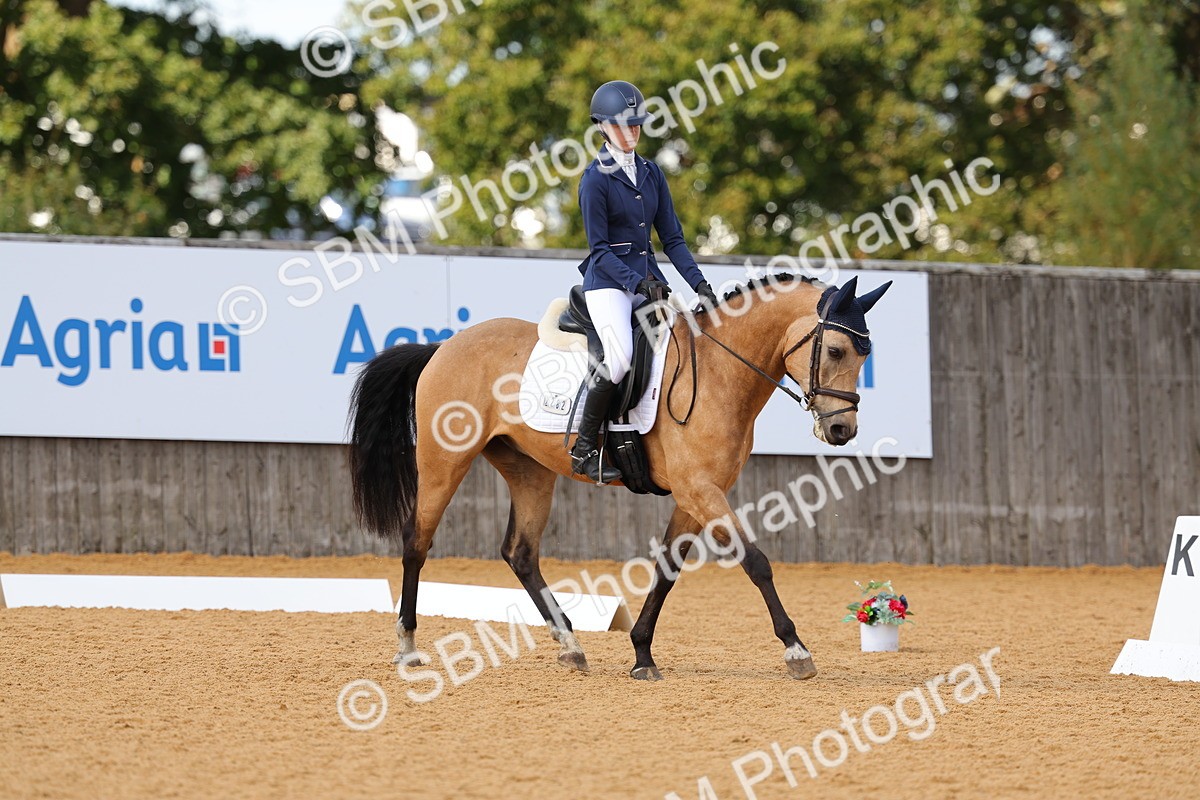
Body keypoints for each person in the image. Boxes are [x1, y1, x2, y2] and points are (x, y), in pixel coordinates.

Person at [570, 79, 720, 483]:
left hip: (647, 280)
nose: (632, 131)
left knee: (684, 342)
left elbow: (673, 239)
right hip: (608, 284)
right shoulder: (595, 179)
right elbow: (599, 249)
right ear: (603, 126)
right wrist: (637, 283)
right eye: (623, 125)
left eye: (636, 124)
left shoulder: (652, 173)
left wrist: (699, 284)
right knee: (619, 358)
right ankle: (584, 448)